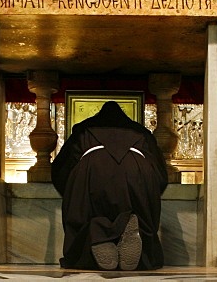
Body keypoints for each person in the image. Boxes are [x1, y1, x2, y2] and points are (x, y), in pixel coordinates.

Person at [51, 101, 168, 271]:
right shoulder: (142, 133)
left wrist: (72, 191)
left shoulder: (83, 130)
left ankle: (98, 234)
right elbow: (159, 173)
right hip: (137, 170)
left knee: (84, 216)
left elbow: (62, 168)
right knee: (139, 215)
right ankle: (131, 228)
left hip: (92, 169)